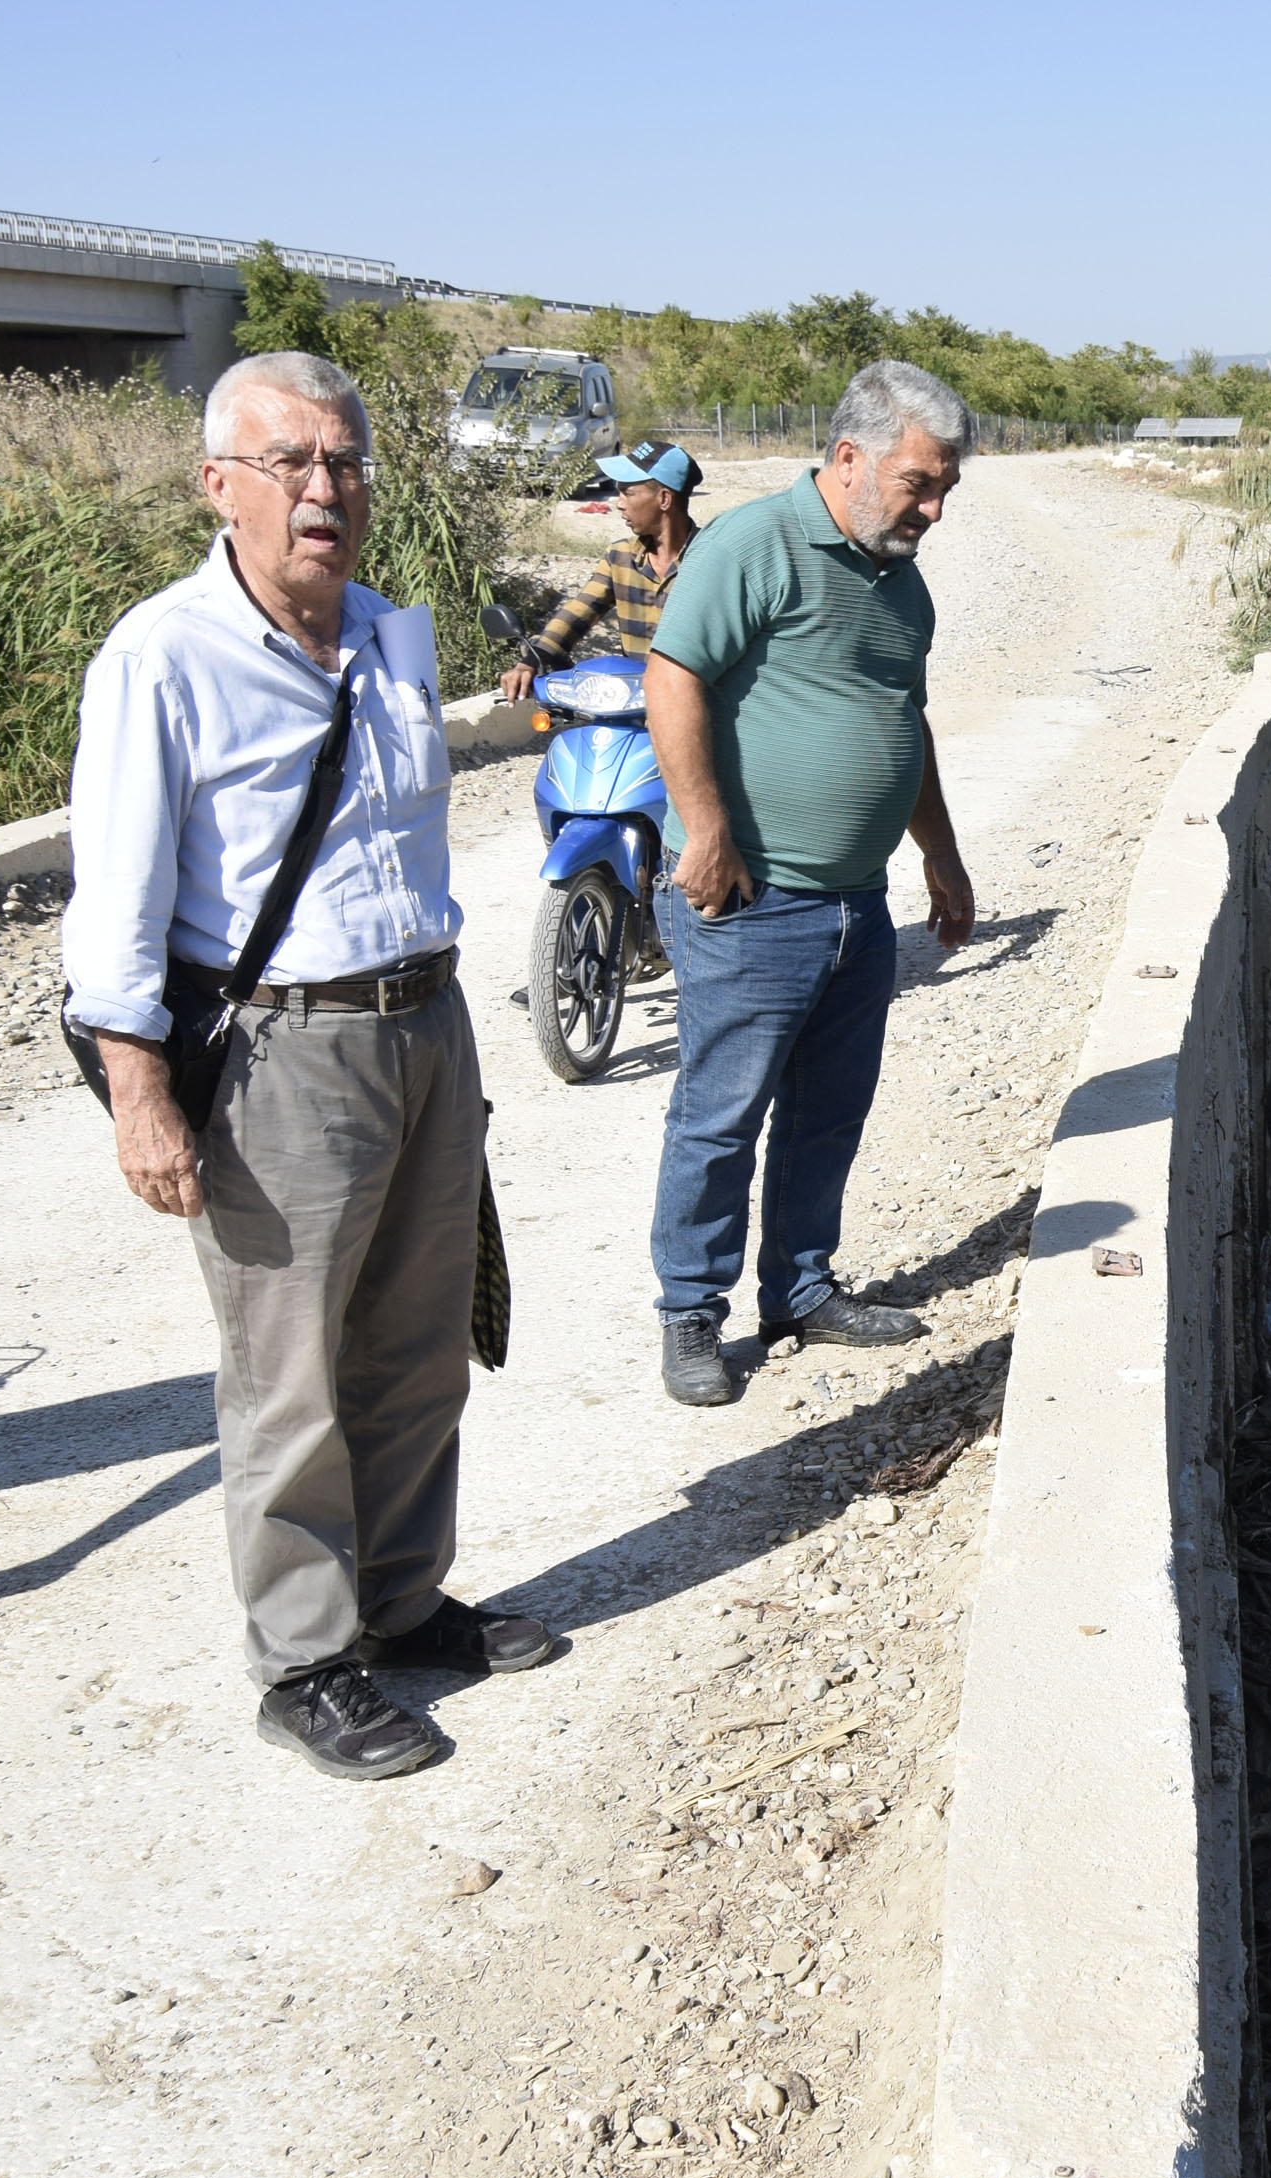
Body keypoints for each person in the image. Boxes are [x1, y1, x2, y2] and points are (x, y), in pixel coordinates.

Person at [61, 348, 553, 1782]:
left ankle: (399, 1604)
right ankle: (303, 1658)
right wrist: (141, 1095)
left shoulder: (396, 635)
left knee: (414, 1347)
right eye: (290, 464)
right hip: (280, 1052)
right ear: (220, 485)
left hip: (424, 1023)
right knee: (290, 1375)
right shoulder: (161, 655)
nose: (324, 488)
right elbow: (118, 899)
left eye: (344, 461)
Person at [640, 359, 978, 1407]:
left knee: (829, 1112)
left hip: (856, 903)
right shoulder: (755, 545)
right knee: (722, 1115)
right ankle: (692, 1312)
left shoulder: (901, 586)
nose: (931, 508)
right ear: (848, 458)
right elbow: (675, 675)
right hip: (751, 901)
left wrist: (941, 851)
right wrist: (705, 831)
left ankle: (797, 1288)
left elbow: (903, 725)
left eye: (944, 491)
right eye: (919, 484)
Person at [495, 437, 701, 705]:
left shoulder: (708, 560)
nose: (619, 503)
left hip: (695, 706)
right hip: (636, 704)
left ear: (664, 498)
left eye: (628, 492)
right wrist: (531, 661)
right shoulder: (620, 557)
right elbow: (578, 612)